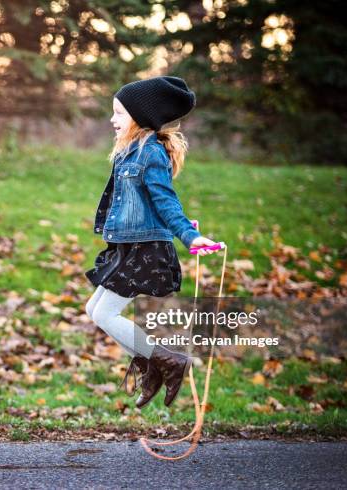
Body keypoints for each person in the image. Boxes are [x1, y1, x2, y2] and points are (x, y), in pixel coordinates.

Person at [85, 76, 220, 409]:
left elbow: (165, 200)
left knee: (103, 313)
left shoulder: (151, 153)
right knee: (94, 309)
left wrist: (190, 235)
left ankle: (168, 361)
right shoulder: (127, 153)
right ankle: (151, 366)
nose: (112, 120)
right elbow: (148, 205)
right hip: (128, 247)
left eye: (119, 113)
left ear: (139, 116)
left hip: (144, 251)